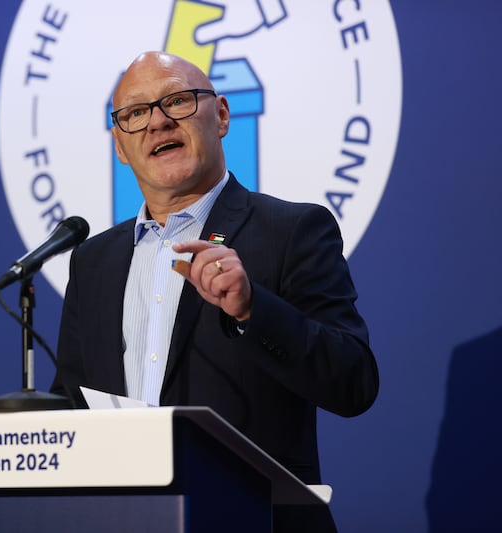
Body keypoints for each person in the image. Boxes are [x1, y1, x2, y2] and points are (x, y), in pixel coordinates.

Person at [50, 51, 379, 532]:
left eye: (178, 101)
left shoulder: (293, 230)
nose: (158, 123)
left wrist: (252, 310)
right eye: (136, 113)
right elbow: (74, 403)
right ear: (121, 146)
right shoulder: (94, 260)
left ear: (222, 115)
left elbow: (354, 383)